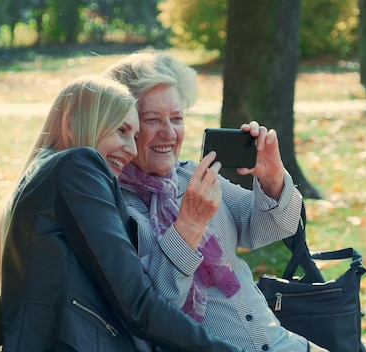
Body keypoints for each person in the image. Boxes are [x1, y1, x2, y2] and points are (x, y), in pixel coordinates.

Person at [0, 75, 244, 351]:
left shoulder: (47, 175)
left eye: (135, 136)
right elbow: (137, 304)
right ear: (70, 124)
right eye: (121, 131)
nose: (131, 150)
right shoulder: (77, 167)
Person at [104, 53, 329, 352]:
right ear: (124, 126)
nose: (169, 133)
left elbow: (274, 228)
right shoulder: (116, 206)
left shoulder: (191, 177)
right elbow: (150, 308)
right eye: (152, 120)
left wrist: (273, 178)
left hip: (281, 343)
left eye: (177, 118)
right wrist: (190, 224)